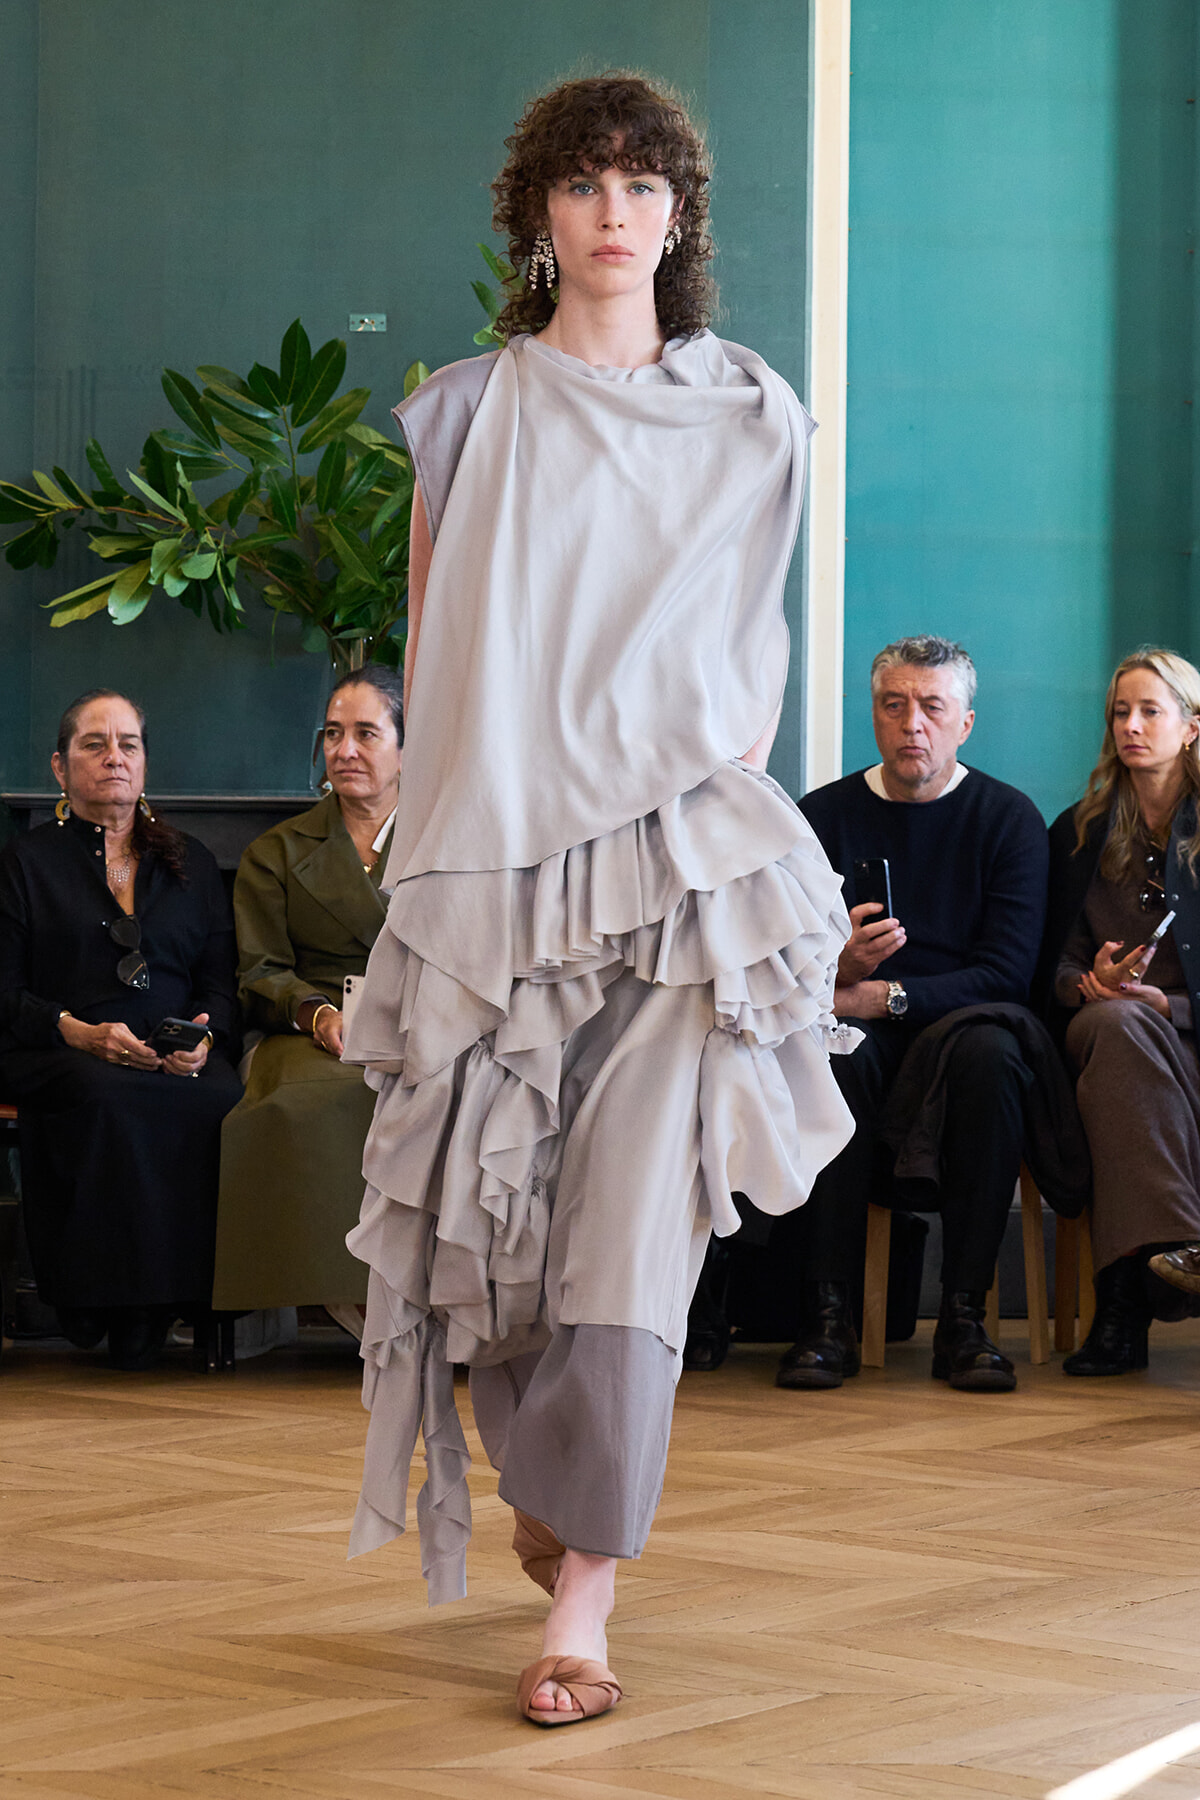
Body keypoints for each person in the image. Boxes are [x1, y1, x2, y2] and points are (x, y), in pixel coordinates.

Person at [340, 72, 856, 1725]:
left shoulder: (751, 412)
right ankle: (558, 1485)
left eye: (646, 183)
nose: (618, 208)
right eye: (585, 182)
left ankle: (585, 1603)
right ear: (538, 215)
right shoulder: (470, 409)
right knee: (498, 1223)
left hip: (678, 875)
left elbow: (740, 651)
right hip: (495, 875)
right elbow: (435, 647)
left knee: (633, 1218)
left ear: (680, 216)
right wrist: (426, 865)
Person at [774, 636, 1049, 1394]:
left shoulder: (1008, 819)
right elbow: (784, 965)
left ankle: (964, 1317)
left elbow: (1008, 974)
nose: (912, 725)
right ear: (873, 715)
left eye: (932, 708)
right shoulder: (820, 817)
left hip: (962, 1029)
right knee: (835, 1052)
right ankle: (827, 1315)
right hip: (853, 1025)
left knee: (990, 1056)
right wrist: (843, 969)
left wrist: (888, 994)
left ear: (964, 723)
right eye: (894, 706)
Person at [0, 690, 241, 1369]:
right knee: (106, 1097)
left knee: (218, 1097)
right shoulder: (24, 863)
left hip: (170, 1053)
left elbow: (220, 984)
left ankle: (184, 1304)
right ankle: (101, 1305)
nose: (114, 758)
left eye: (128, 745)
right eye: (93, 745)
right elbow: (5, 994)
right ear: (59, 767)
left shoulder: (187, 862)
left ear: (144, 763)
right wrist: (79, 1031)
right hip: (55, 1046)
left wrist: (204, 1038)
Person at [211, 665, 402, 1325]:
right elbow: (260, 970)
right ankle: (348, 1293)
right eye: (333, 733)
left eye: (366, 733)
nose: (345, 750)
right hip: (310, 1031)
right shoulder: (278, 852)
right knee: (313, 1099)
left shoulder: (451, 847)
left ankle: (447, 1295)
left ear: (408, 747)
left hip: (427, 1027)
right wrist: (317, 1014)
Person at [1046, 648, 1200, 1374]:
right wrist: (1090, 982)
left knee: (1135, 1043)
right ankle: (1183, 1246)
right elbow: (1046, 960)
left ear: (1192, 728)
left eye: (1150, 711)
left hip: (1181, 1043)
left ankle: (1123, 1309)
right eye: (1119, 712)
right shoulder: (1079, 830)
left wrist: (1167, 1002)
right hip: (1097, 1025)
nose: (1130, 726)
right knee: (1119, 1028)